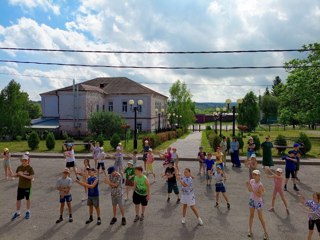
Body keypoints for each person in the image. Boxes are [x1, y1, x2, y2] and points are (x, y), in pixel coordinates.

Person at [11, 155, 35, 221]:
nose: (24, 161)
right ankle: (18, 213)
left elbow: (31, 177)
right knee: (18, 199)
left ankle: (28, 212)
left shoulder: (30, 168)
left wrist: (22, 175)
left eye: (25, 160)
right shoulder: (19, 167)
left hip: (27, 187)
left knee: (28, 199)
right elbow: (18, 175)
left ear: (28, 161)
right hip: (20, 186)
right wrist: (13, 175)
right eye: (23, 160)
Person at [246, 170, 268, 239]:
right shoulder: (252, 181)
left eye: (256, 175)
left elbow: (259, 195)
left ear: (259, 176)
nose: (254, 176)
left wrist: (252, 190)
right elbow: (249, 189)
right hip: (252, 200)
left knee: (260, 218)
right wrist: (248, 186)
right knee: (251, 215)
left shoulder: (260, 185)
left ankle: (265, 233)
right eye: (253, 174)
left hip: (258, 202)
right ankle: (249, 230)